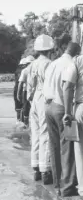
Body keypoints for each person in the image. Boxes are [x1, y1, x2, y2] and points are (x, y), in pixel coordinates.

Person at [44, 42, 81, 197]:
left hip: (49, 107)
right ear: (77, 53)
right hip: (62, 108)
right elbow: (67, 88)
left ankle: (58, 184)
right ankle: (68, 187)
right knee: (68, 149)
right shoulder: (72, 63)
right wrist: (68, 112)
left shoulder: (53, 64)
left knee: (54, 147)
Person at [28, 34, 54, 185]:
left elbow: (30, 87)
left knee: (36, 134)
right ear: (50, 48)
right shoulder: (49, 64)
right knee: (45, 134)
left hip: (35, 100)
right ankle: (46, 171)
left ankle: (36, 168)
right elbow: (50, 85)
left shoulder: (32, 64)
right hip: (44, 98)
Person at [62, 54, 83, 197]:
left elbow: (68, 86)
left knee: (80, 150)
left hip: (81, 107)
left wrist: (67, 112)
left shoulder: (78, 61)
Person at [17, 55, 35, 127]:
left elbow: (20, 83)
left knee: (26, 107)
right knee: (33, 107)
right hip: (34, 92)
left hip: (26, 91)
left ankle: (26, 124)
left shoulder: (25, 70)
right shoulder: (35, 69)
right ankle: (32, 124)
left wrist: (18, 94)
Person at [14, 58, 27, 124]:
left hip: (16, 89)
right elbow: (21, 82)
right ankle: (22, 121)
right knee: (24, 106)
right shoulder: (24, 71)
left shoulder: (17, 71)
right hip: (22, 90)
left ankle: (18, 120)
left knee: (18, 107)